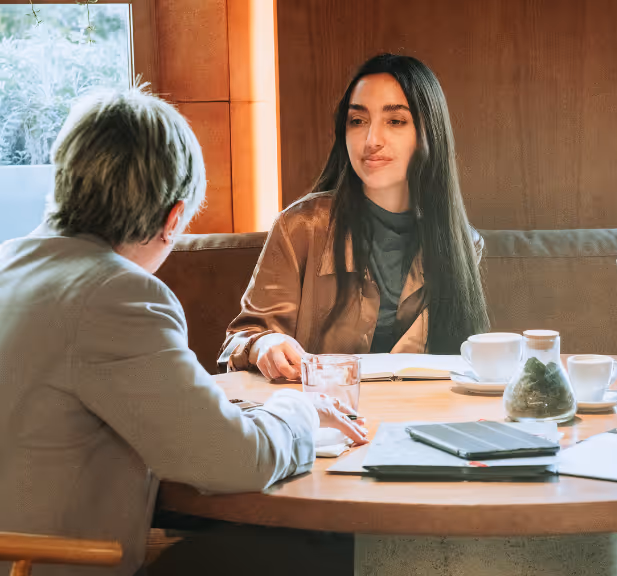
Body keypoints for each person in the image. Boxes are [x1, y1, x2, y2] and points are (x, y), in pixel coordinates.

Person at [0, 86, 367, 576]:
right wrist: (302, 408)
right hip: (47, 566)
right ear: (174, 218)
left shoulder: (10, 263)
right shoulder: (117, 294)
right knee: (323, 559)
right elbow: (235, 460)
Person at [220, 54, 489, 380]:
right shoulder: (302, 226)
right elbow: (242, 338)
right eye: (358, 121)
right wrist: (266, 344)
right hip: (321, 417)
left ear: (427, 134)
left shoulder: (463, 242)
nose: (371, 140)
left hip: (420, 420)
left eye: (395, 121)